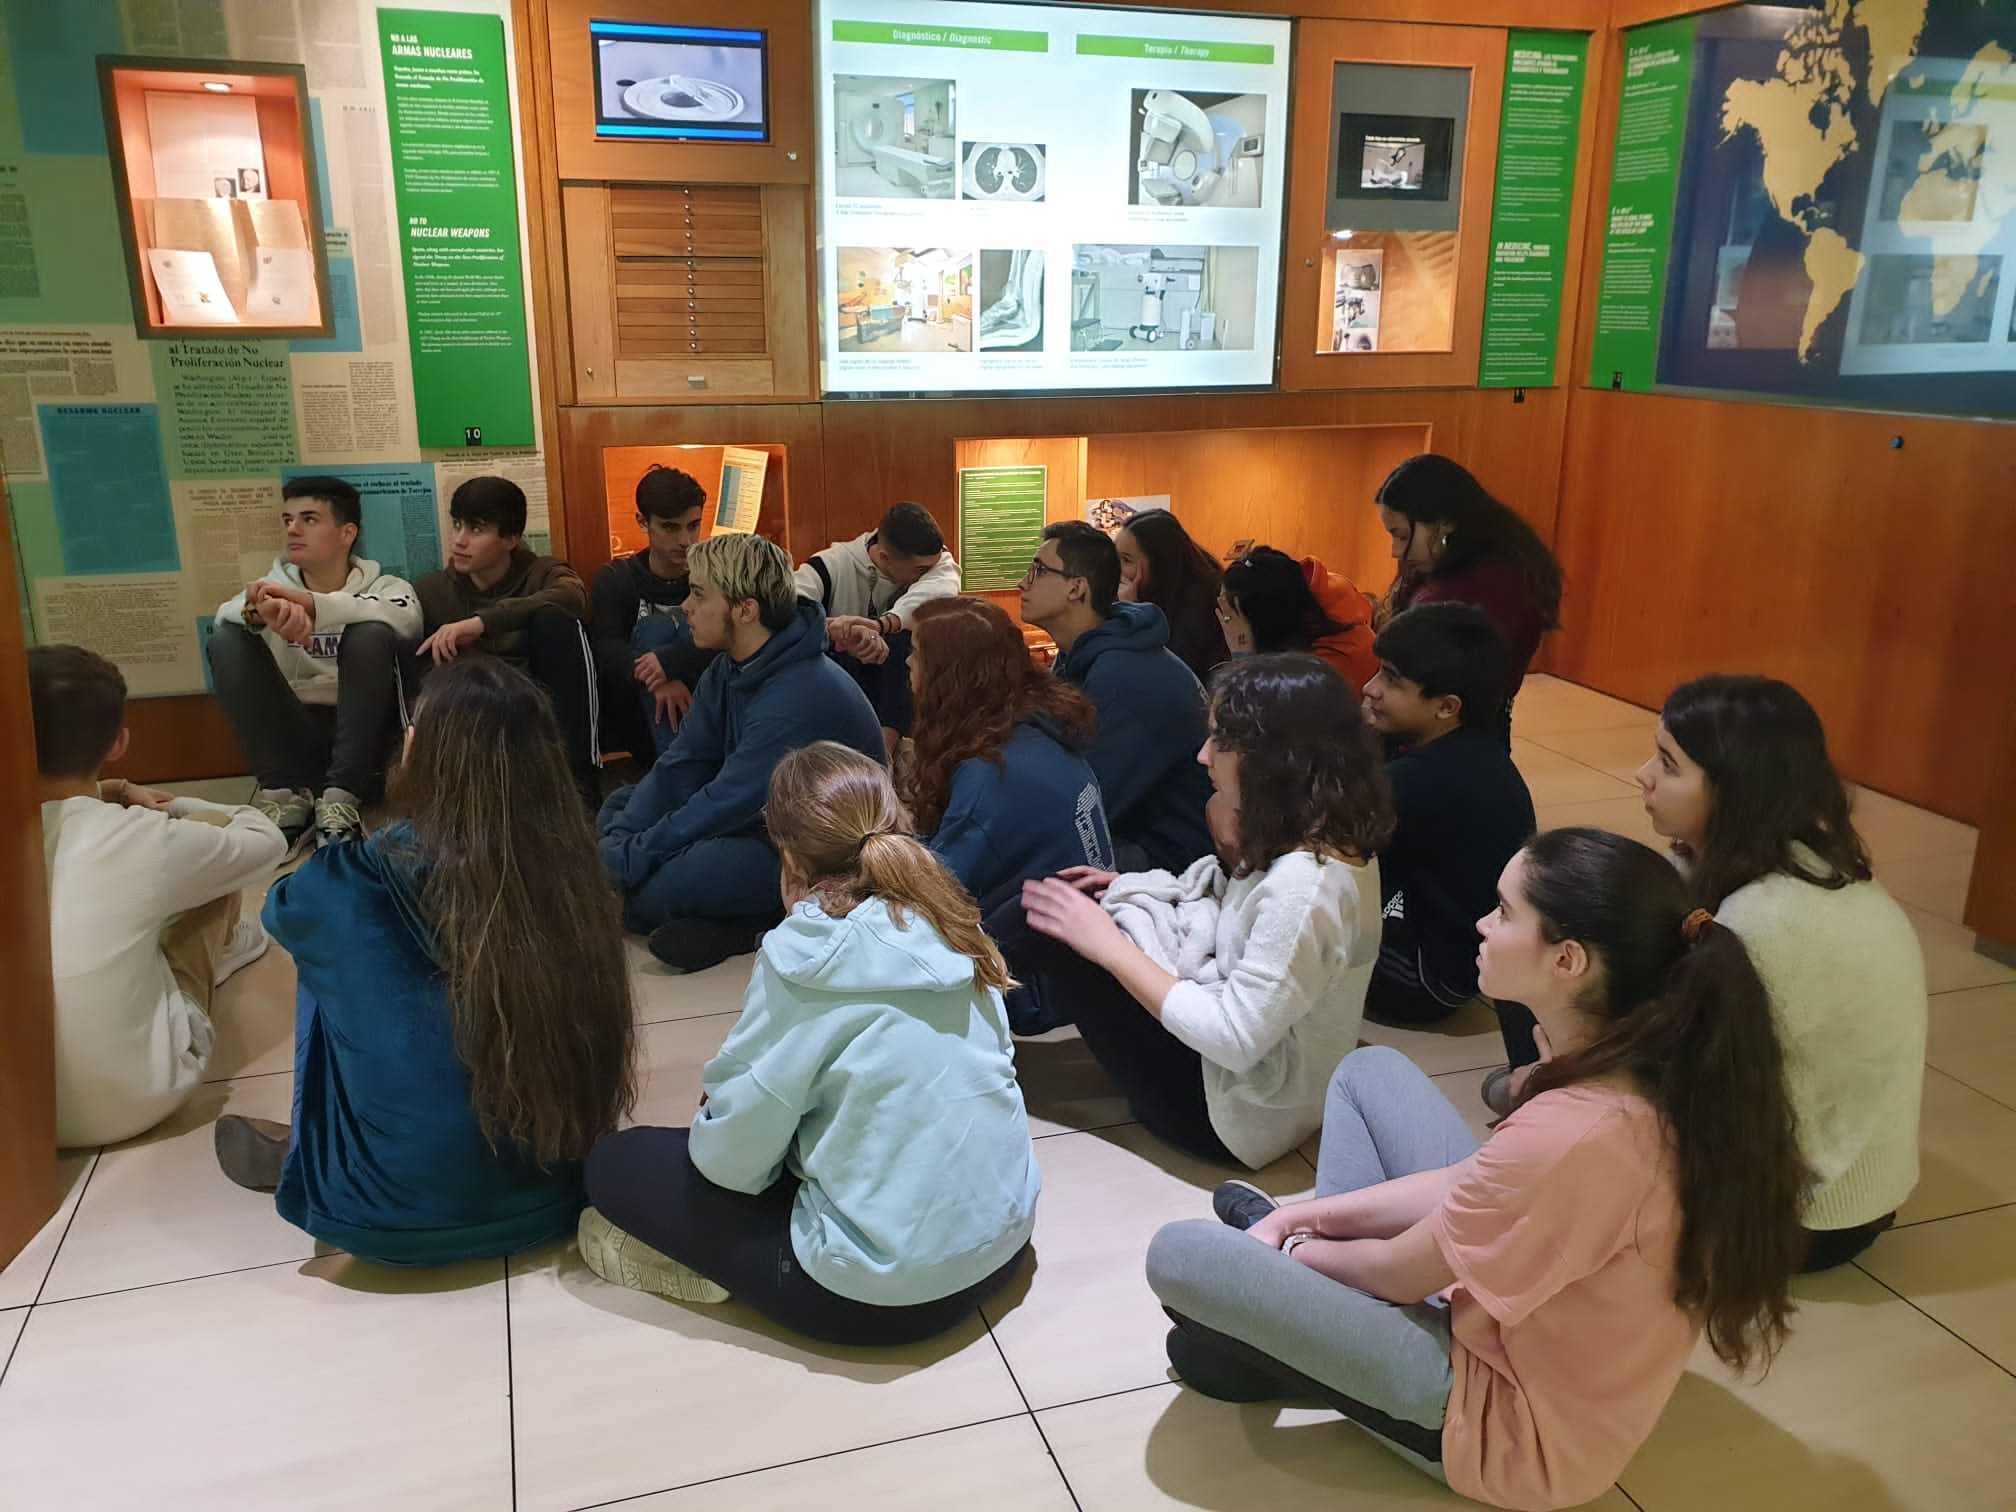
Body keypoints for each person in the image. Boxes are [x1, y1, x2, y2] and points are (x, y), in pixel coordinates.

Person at [1146, 827, 1808, 1511]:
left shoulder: (1582, 1133)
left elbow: (1402, 1271)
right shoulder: (1632, 1060)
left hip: (1510, 1425)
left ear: (1568, 960)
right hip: (1494, 1313)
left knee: (1181, 1254)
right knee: (1370, 1075)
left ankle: (1287, 1331)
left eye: (1505, 912)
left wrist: (1293, 1251)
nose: (1483, 925)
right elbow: (1473, 1185)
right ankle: (1291, 1327)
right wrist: (1302, 1216)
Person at [578, 743, 1039, 1345]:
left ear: (789, 857)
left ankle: (715, 1269)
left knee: (614, 1164)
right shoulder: (952, 921)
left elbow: (732, 1165)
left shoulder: (805, 957)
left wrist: (725, 1112)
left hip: (884, 1298)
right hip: (1005, 1243)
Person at [212, 657, 637, 1265]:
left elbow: (282, 910)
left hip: (400, 1216)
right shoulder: (574, 871)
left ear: (424, 751)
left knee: (327, 941)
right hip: (563, 1191)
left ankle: (315, 1150)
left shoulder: (359, 874)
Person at [997, 654, 1391, 1168]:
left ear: (1276, 758)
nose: (1203, 756)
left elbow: (1235, 1039)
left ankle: (931, 1010)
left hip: (1229, 1121)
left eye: (1220, 741)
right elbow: (1241, 916)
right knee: (1065, 900)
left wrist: (1109, 946)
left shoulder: (1306, 885)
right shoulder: (1325, 828)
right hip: (1255, 1092)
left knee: (1052, 918)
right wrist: (1129, 890)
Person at [1637, 675, 1926, 1271]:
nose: (1644, 775)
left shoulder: (1766, 919)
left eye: (1668, 764)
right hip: (1847, 1192)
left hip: (1802, 1221)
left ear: (1735, 789)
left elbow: (1687, 1070)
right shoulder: (1796, 856)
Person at [32, 645, 285, 1148]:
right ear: (118, 742)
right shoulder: (140, 836)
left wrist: (109, 790)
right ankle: (227, 950)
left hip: (26, 1119)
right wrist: (172, 805)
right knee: (208, 852)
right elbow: (267, 841)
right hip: (143, 1098)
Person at [600, 533, 884, 972]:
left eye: (698, 595)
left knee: (669, 881)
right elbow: (681, 765)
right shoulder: (728, 666)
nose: (686, 608)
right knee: (622, 805)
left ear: (745, 610)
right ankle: (725, 919)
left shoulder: (799, 692)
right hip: (756, 824)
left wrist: (625, 858)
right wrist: (623, 846)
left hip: (817, 858)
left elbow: (726, 802)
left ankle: (755, 925)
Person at [207, 475, 420, 847]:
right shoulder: (270, 588)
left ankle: (341, 800)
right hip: (300, 738)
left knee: (370, 632)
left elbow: (408, 618)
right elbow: (224, 615)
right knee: (226, 637)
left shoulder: (387, 586)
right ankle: (286, 796)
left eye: (309, 519)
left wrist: (312, 606)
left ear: (347, 533)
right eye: (288, 520)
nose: (293, 529)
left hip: (368, 743)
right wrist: (258, 614)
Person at [1359, 604, 1535, 1027]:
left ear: (1446, 707)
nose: (1369, 688)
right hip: (1471, 961)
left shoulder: (1419, 779)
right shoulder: (1478, 749)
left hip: (1425, 980)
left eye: (1391, 679)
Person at [1019, 521, 1214, 873]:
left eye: (1038, 571)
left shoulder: (1125, 674)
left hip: (1168, 855)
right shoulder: (1079, 653)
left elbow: (1087, 802)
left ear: (1076, 588)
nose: (1023, 583)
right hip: (1127, 830)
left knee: (1028, 863)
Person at [903, 596, 1115, 915]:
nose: (908, 662)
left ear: (948, 675)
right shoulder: (1037, 728)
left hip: (1040, 942)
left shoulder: (991, 773)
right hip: (1079, 926)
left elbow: (928, 900)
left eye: (917, 653)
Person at [412, 476, 600, 807]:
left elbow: (572, 596)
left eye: (476, 529)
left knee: (556, 621)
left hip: (542, 704)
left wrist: (482, 623)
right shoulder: (432, 590)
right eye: (457, 525)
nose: (459, 540)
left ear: (511, 538)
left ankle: (580, 787)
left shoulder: (542, 572)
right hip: (474, 711)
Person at [1374, 454, 1563, 701]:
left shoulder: (1487, 590)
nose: (1395, 551)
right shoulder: (1447, 569)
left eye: (1401, 536)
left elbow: (1428, 692)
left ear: (1445, 524)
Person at [795, 502, 961, 751]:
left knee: (907, 641)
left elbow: (939, 590)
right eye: (920, 570)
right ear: (884, 557)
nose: (926, 573)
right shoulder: (828, 567)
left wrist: (880, 625)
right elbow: (786, 614)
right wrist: (836, 630)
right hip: (835, 687)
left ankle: (885, 752)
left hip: (901, 703)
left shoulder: (935, 562)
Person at [589, 464, 719, 760]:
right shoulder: (617, 578)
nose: (686, 540)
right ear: (642, 521)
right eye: (671, 527)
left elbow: (733, 640)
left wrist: (669, 664)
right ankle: (677, 767)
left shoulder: (713, 575)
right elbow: (607, 650)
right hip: (639, 715)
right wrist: (658, 677)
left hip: (706, 698)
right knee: (654, 630)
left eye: (693, 525)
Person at [1219, 546, 1379, 693]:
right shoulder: (1315, 615)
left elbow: (1254, 709)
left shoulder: (1321, 670)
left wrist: (1242, 654)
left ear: (1264, 624)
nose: (1226, 625)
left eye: (1229, 617)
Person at [1114, 508, 1230, 684]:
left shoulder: (1199, 606)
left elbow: (1156, 676)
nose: (1116, 569)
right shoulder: (1150, 595)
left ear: (1160, 563)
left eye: (1126, 560)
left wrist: (1132, 613)